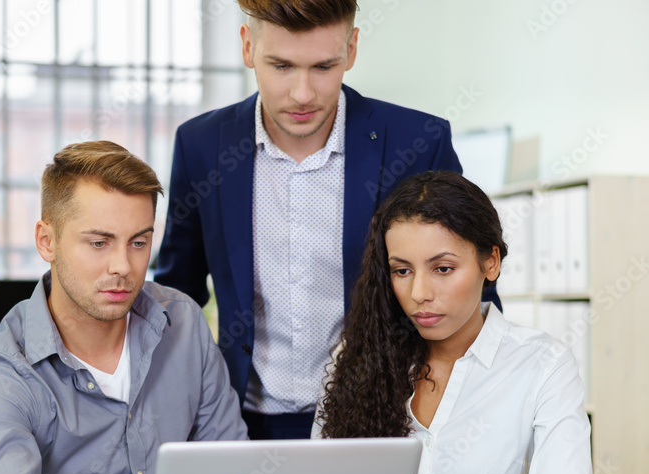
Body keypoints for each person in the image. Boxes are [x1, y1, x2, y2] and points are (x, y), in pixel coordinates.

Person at [155, 0, 499, 441]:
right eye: (280, 66)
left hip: (385, 419)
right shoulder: (201, 145)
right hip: (239, 423)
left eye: (323, 67)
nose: (302, 93)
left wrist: (479, 414)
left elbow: (473, 289)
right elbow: (176, 292)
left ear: (352, 49)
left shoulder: (417, 142)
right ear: (247, 47)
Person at [0, 141, 248, 474]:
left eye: (139, 241)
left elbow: (234, 473)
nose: (123, 266)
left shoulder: (184, 322)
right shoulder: (0, 372)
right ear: (46, 241)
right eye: (99, 242)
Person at [315, 171, 592, 474]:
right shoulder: (356, 357)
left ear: (490, 262)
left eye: (442, 269)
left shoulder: (543, 364)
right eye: (402, 270)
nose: (419, 294)